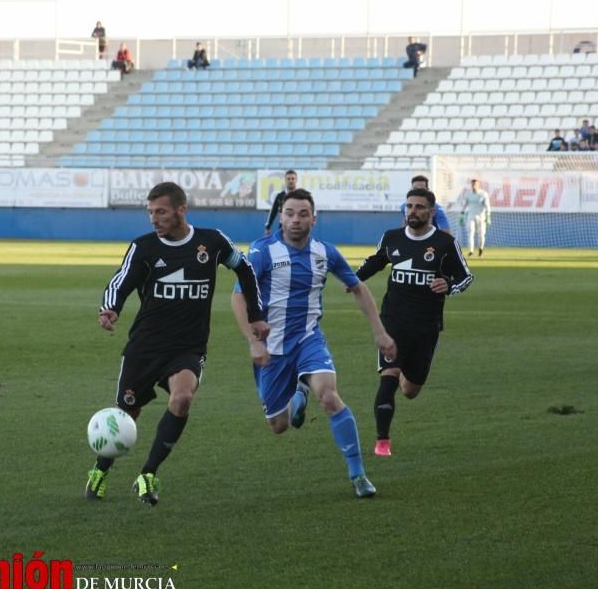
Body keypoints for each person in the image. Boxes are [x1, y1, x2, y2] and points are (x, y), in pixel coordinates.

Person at [85, 182, 269, 506]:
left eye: (161, 212)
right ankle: (100, 469)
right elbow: (121, 280)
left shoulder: (211, 242)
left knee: (182, 398)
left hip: (188, 346)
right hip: (146, 346)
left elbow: (245, 269)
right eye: (150, 212)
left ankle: (149, 473)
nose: (154, 219)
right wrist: (110, 307)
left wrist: (256, 314)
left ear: (181, 210)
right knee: (126, 413)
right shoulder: (143, 247)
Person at [230, 188, 395, 499]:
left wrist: (380, 332)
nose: (295, 220)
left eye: (303, 214)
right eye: (290, 213)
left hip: (308, 339)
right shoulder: (262, 252)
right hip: (271, 348)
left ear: (314, 218)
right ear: (280, 217)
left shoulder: (325, 252)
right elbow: (238, 296)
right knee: (278, 425)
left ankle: (358, 474)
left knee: (330, 396)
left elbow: (357, 288)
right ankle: (298, 398)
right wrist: (253, 341)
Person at [356, 188, 473, 456]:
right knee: (388, 376)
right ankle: (382, 442)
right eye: (409, 206)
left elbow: (465, 276)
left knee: (409, 390)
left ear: (431, 212)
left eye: (419, 207)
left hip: (426, 326)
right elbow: (377, 261)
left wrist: (449, 285)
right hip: (392, 322)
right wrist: (353, 278)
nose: (413, 211)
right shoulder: (392, 238)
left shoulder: (444, 243)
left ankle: (401, 372)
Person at [455, 179, 492, 257]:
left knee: (481, 234)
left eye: (475, 184)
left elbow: (487, 205)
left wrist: (488, 216)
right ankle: (471, 251)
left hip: (481, 216)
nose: (473, 186)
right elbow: (465, 205)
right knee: (470, 233)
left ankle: (480, 249)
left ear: (478, 185)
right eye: (472, 184)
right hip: (471, 215)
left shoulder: (483, 194)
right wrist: (462, 214)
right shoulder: (468, 194)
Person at [263, 169, 297, 234]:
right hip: (283, 228)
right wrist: (268, 227)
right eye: (288, 179)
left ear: (296, 180)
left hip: (297, 228)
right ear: (285, 180)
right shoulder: (280, 196)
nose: (291, 181)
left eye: (293, 179)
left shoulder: (301, 196)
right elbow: (273, 211)